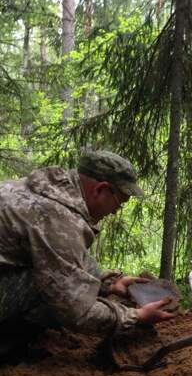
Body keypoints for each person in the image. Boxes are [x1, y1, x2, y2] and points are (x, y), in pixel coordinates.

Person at [0, 150, 175, 360]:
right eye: (119, 203)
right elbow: (76, 310)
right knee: (52, 287)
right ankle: (7, 345)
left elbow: (69, 263)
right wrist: (135, 317)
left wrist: (108, 286)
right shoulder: (57, 218)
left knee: (86, 267)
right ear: (100, 189)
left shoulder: (45, 190)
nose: (115, 212)